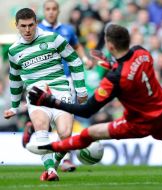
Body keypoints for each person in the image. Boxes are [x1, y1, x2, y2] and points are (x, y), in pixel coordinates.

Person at [27, 24, 162, 185]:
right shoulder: (142, 52)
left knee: (89, 133)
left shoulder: (115, 78)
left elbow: (87, 110)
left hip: (139, 122)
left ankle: (51, 146)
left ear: (110, 46)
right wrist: (110, 63)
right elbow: (131, 67)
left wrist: (51, 101)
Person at [4, 8, 87, 181]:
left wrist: (81, 90)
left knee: (65, 135)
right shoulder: (13, 51)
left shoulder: (53, 38)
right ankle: (51, 171)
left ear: (36, 23)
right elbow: (14, 80)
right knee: (41, 126)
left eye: (31, 25)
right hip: (36, 95)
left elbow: (75, 61)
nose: (27, 30)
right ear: (16, 26)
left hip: (61, 91)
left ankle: (53, 165)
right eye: (23, 26)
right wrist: (13, 106)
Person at [35, 0, 92, 173]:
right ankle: (58, 155)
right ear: (44, 11)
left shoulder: (67, 30)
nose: (51, 12)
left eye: (54, 9)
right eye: (48, 9)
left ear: (58, 11)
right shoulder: (36, 31)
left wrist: (85, 59)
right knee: (47, 118)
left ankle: (65, 158)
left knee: (65, 119)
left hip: (66, 80)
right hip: (44, 80)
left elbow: (76, 46)